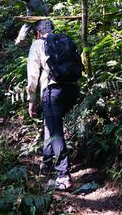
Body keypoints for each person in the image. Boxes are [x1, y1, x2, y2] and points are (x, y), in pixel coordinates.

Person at [26, 19, 82, 190]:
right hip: (72, 91)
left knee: (56, 131)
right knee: (51, 125)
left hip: (53, 92)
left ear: (38, 33)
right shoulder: (64, 41)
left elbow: (33, 75)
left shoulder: (38, 44)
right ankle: (46, 164)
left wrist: (31, 100)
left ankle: (64, 175)